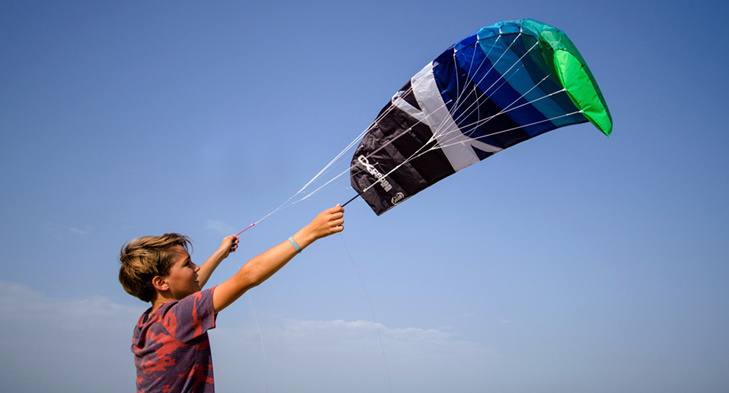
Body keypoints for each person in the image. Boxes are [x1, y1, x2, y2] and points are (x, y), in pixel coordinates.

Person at [118, 204, 345, 393]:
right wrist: (310, 232)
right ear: (161, 283)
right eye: (187, 264)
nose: (196, 268)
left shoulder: (147, 322)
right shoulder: (179, 316)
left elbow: (193, 286)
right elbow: (247, 277)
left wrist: (220, 254)